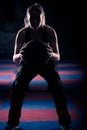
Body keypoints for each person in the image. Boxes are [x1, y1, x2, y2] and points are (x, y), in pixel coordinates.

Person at [5, 3, 72, 130]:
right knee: (17, 86)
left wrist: (51, 53)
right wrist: (20, 55)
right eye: (32, 18)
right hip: (27, 63)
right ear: (27, 18)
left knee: (57, 86)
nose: (35, 21)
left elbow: (58, 56)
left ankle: (65, 122)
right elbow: (14, 58)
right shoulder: (22, 33)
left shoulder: (49, 31)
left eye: (37, 18)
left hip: (46, 63)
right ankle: (12, 123)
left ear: (42, 18)